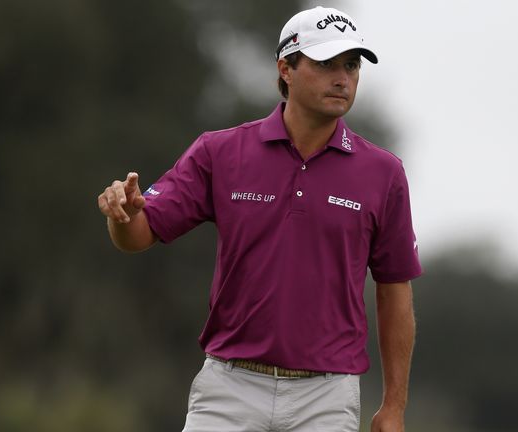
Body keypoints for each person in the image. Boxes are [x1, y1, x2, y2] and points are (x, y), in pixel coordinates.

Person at [97, 6, 421, 432]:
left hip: (325, 397)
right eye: (326, 64)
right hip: (229, 389)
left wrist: (393, 406)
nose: (342, 78)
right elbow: (139, 235)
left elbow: (395, 291)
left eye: (351, 65)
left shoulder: (383, 173)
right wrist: (122, 217)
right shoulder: (220, 152)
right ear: (286, 68)